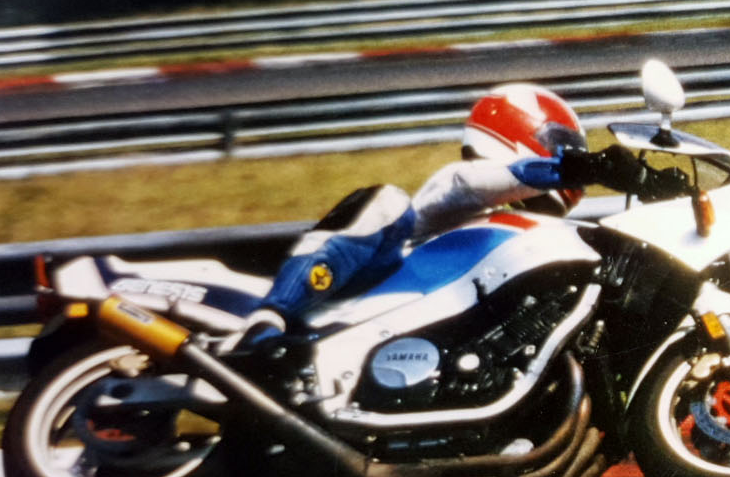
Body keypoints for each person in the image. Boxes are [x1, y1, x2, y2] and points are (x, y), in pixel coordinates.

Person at [236, 82, 679, 342]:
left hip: (432, 341)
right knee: (388, 201)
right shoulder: (461, 188)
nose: (572, 157)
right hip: (366, 298)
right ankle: (270, 318)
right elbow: (484, 180)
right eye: (562, 145)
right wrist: (587, 167)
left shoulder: (535, 237)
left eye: (574, 152)